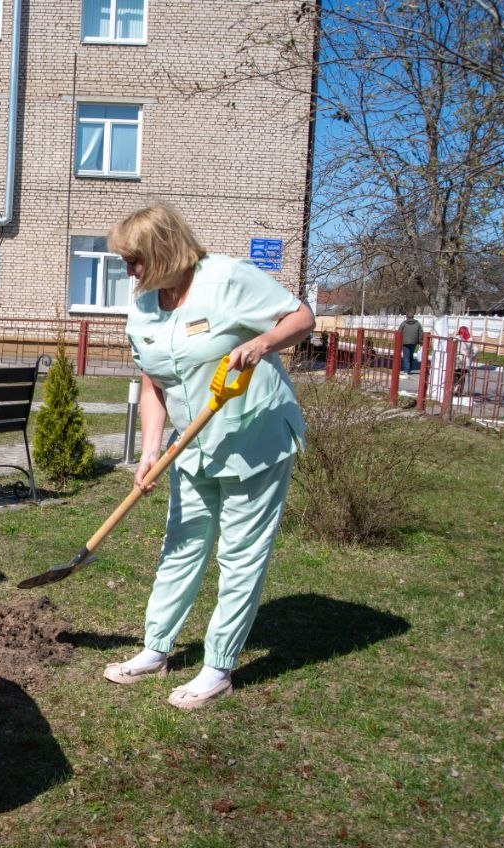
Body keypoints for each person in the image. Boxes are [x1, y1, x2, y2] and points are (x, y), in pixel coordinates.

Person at [102, 204, 315, 709]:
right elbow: (153, 382)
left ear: (162, 250)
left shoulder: (227, 279)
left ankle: (218, 666)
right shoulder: (145, 304)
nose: (128, 271)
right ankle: (156, 648)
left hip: (254, 436)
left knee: (240, 552)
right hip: (192, 444)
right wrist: (149, 451)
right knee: (182, 542)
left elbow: (302, 317)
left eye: (134, 260)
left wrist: (264, 342)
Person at [452, 325, 476, 397]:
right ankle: (459, 391)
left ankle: (454, 388)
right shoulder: (470, 340)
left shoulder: (456, 338)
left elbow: (452, 346)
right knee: (462, 377)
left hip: (457, 360)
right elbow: (476, 350)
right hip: (466, 362)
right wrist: (472, 356)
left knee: (455, 375)